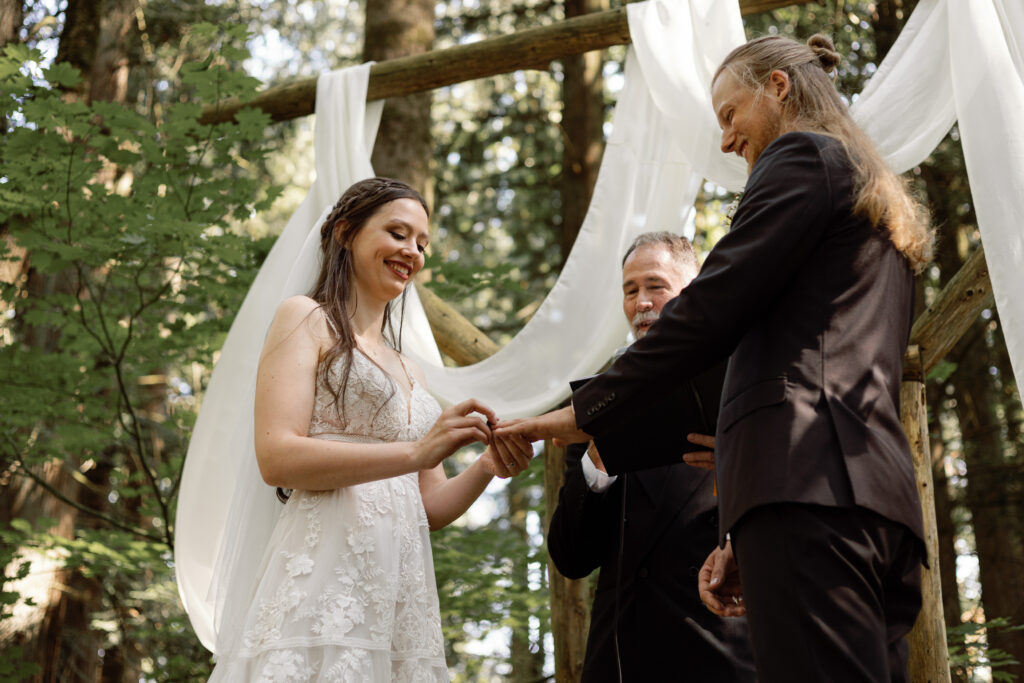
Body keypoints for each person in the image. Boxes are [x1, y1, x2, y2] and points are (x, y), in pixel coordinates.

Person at [498, 34, 933, 682]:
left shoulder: (801, 156)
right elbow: (817, 357)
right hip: (871, 500)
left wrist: (583, 413)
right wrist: (738, 524)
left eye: (730, 114)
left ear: (778, 88)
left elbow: (708, 310)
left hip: (805, 497)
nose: (726, 140)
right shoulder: (872, 196)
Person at [209, 177, 533, 682]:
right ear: (345, 233)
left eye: (422, 243)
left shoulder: (411, 370)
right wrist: (415, 453)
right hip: (322, 576)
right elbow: (277, 457)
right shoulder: (305, 318)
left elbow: (428, 505)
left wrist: (488, 466)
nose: (412, 252)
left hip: (399, 593)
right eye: (398, 234)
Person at [547, 232, 755, 682]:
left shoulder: (741, 384)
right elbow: (570, 558)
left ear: (694, 291)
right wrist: (597, 460)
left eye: (655, 286)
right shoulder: (595, 404)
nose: (641, 302)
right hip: (620, 661)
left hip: (721, 654)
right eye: (630, 290)